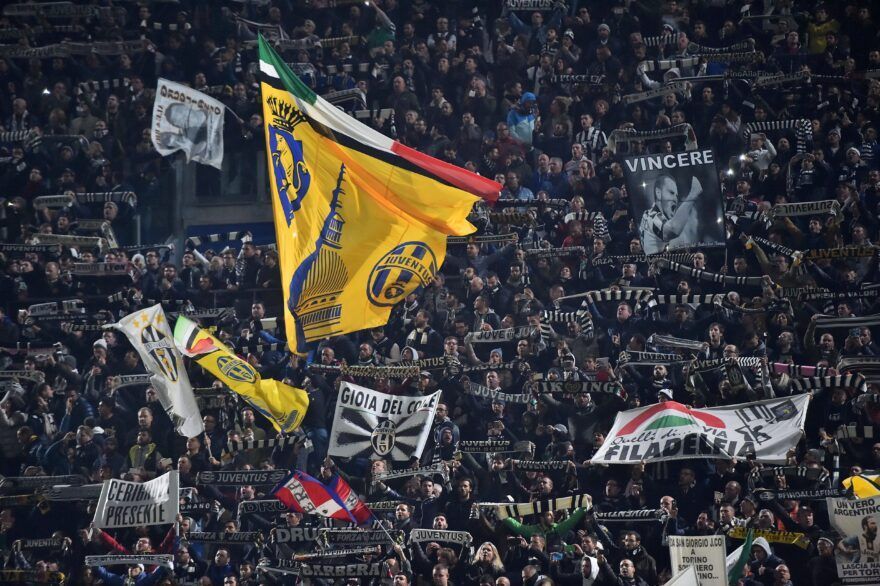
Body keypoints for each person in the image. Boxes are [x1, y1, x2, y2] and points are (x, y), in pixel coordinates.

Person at [638, 175, 703, 254]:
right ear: (658, 193)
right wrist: (693, 194)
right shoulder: (653, 217)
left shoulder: (647, 214)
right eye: (671, 193)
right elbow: (673, 229)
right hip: (655, 264)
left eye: (676, 196)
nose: (675, 199)